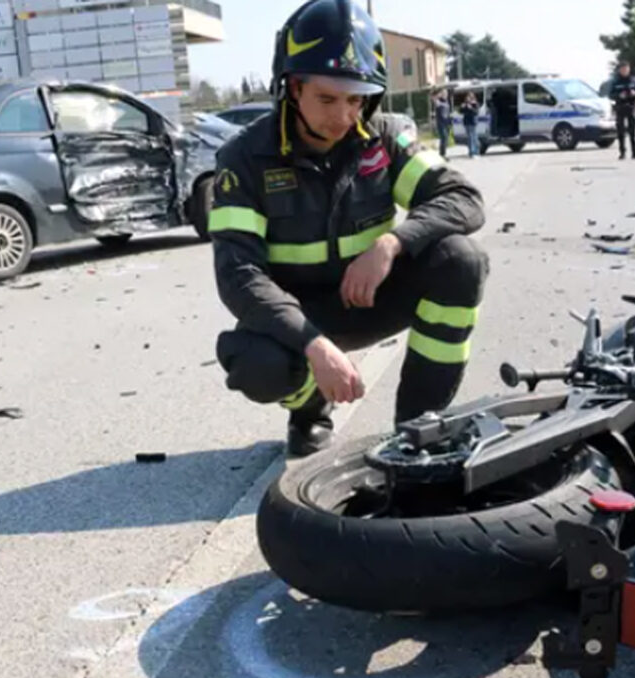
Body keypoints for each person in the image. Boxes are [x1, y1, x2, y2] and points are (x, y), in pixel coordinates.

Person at [209, 0, 489, 457]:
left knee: (462, 259)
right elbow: (238, 275)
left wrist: (392, 242)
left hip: (372, 297)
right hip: (300, 317)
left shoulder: (383, 136)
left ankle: (419, 427)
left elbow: (462, 199)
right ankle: (311, 408)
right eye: (327, 99)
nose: (343, 117)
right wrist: (315, 345)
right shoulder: (245, 159)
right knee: (255, 363)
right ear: (293, 87)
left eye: (356, 99)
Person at [608, 61, 635, 160]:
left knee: (632, 131)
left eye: (626, 69)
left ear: (629, 69)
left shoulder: (634, 80)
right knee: (621, 132)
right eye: (623, 69)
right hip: (620, 107)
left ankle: (634, 153)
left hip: (631, 107)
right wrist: (618, 95)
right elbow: (610, 94)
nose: (625, 71)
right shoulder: (615, 81)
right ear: (619, 70)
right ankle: (622, 153)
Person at [460, 92, 481, 158]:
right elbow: (461, 112)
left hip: (473, 122)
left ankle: (475, 152)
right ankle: (472, 153)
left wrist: (471, 108)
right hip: (467, 122)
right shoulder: (465, 104)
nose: (468, 98)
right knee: (470, 138)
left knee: (474, 138)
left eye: (470, 97)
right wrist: (462, 107)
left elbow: (476, 112)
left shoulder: (475, 104)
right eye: (467, 97)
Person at [432, 89, 452, 158]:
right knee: (443, 137)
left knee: (445, 139)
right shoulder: (438, 100)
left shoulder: (447, 102)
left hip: (447, 123)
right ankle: (442, 154)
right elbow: (434, 100)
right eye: (444, 93)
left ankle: (443, 153)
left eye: (446, 93)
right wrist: (436, 95)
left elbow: (448, 112)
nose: (445, 95)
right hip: (441, 123)